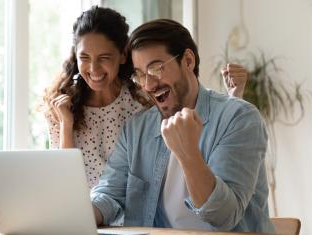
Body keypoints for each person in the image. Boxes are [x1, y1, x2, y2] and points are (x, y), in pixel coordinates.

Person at [91, 19, 274, 233]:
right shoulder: (136, 130)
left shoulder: (239, 118)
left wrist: (187, 152)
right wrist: (80, 211)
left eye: (156, 69)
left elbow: (224, 215)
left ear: (188, 61)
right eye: (140, 75)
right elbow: (109, 194)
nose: (148, 85)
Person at [43, 7, 248, 188]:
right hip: (89, 213)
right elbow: (64, 182)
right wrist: (66, 126)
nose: (94, 69)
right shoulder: (62, 107)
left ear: (123, 56)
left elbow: (194, 123)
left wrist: (234, 98)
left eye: (104, 58)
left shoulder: (142, 98)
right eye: (84, 58)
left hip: (135, 218)